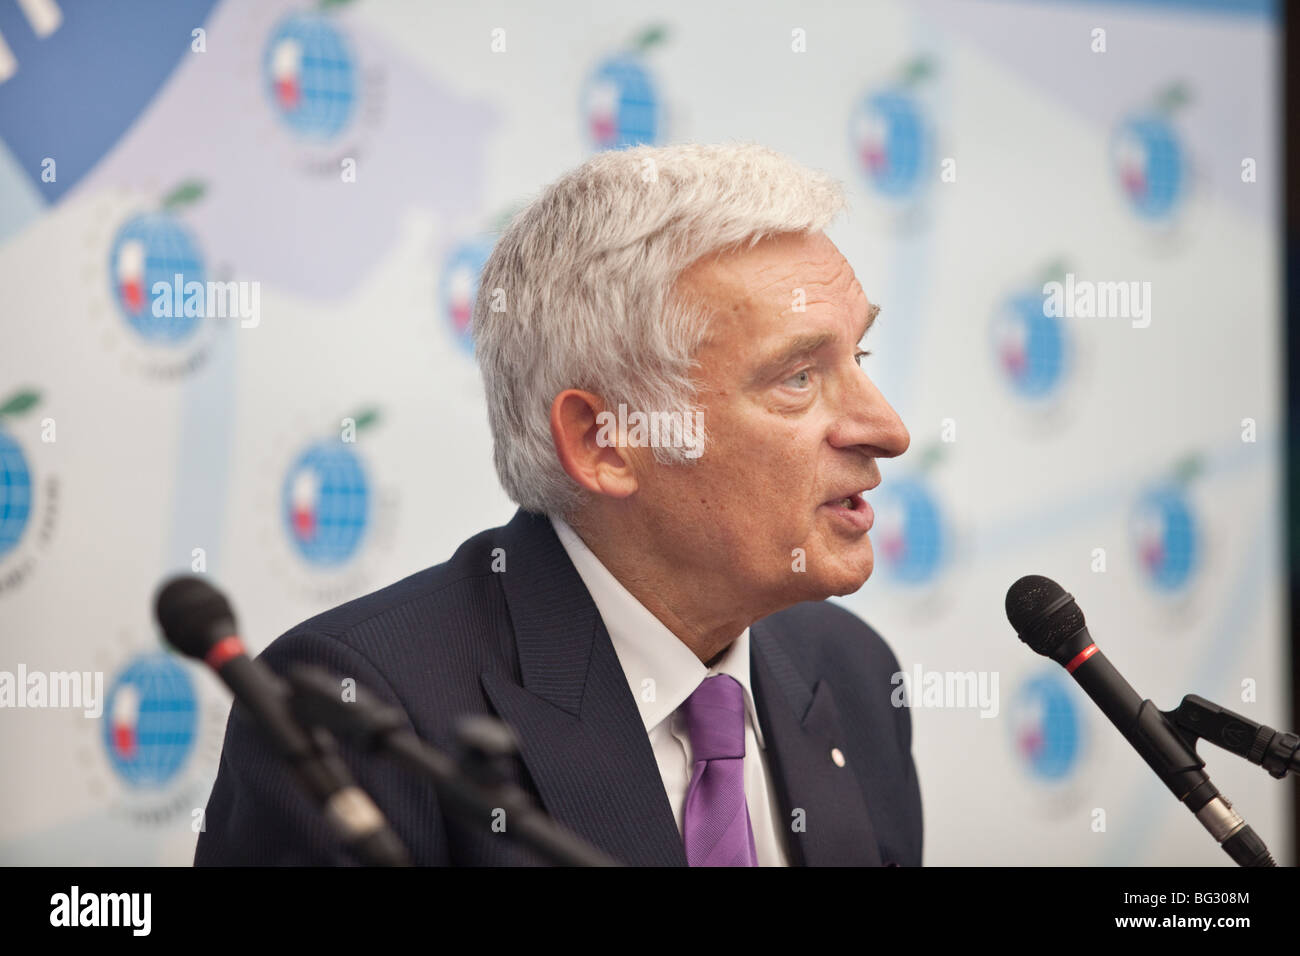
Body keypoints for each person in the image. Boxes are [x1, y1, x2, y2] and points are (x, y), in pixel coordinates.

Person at [196, 142, 922, 866]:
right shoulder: (360, 716)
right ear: (603, 441)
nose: (889, 430)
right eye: (797, 377)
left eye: (856, 359)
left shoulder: (849, 669)